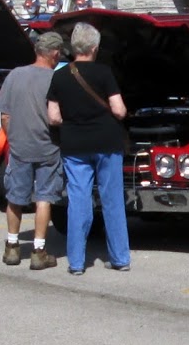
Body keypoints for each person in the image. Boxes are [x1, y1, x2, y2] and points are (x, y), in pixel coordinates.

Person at [46, 22, 131, 276]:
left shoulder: (59, 76)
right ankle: (119, 258)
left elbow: (53, 117)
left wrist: (74, 121)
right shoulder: (104, 73)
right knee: (112, 200)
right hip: (107, 142)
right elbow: (118, 110)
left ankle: (76, 262)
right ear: (94, 48)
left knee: (78, 201)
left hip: (74, 145)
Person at [0, 31, 65, 270]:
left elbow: (5, 115)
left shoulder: (15, 75)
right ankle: (38, 251)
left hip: (20, 147)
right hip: (48, 148)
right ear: (55, 53)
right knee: (44, 198)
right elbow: (58, 117)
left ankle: (12, 248)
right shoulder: (56, 80)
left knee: (15, 198)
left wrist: (14, 139)